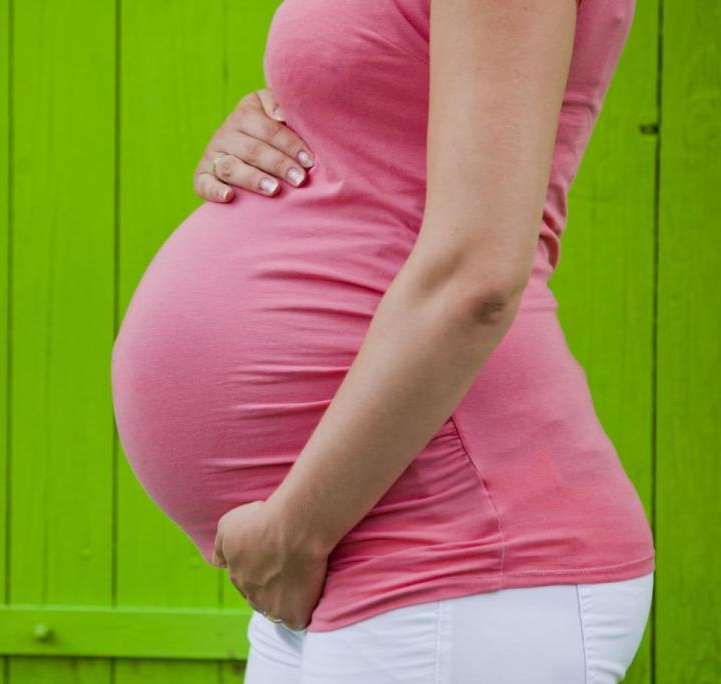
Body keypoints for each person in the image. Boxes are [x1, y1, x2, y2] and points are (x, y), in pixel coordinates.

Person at [110, 0, 655, 680]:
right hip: (353, 556)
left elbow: (476, 274)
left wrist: (297, 530)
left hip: (454, 550)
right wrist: (283, 124)